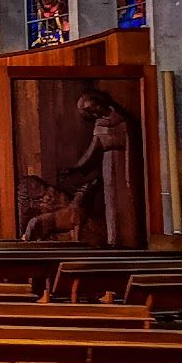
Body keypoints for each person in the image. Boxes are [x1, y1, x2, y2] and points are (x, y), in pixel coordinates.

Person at [63, 89, 137, 247]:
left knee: (127, 202)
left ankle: (129, 239)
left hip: (124, 162)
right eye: (89, 111)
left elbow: (131, 146)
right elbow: (92, 151)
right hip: (108, 163)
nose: (94, 112)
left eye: (93, 107)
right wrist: (76, 168)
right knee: (111, 202)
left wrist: (130, 171)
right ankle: (114, 239)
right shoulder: (99, 125)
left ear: (100, 101)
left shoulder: (122, 119)